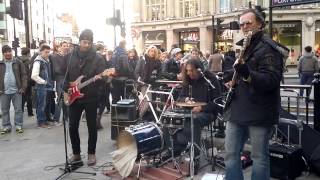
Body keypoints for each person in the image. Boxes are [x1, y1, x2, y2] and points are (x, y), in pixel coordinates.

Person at [224, 9, 284, 180]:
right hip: (237, 111)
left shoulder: (269, 48)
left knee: (259, 158)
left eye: (248, 23)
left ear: (260, 24)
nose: (244, 26)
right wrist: (231, 76)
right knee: (231, 155)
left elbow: (271, 80)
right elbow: (242, 73)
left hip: (260, 112)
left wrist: (247, 74)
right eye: (241, 24)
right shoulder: (247, 45)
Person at [63, 29, 105, 166]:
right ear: (79, 42)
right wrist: (65, 90)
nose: (86, 45)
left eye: (89, 42)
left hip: (91, 97)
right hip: (73, 97)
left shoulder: (98, 58)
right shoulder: (70, 56)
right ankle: (76, 154)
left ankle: (91, 153)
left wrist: (99, 80)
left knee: (92, 126)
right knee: (72, 126)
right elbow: (63, 76)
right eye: (84, 42)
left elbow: (103, 78)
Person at [169, 58, 221, 168]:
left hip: (207, 112)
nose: (189, 73)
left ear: (199, 69)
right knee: (169, 116)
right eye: (187, 71)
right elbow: (181, 97)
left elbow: (218, 102)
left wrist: (202, 108)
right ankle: (175, 149)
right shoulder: (188, 80)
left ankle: (195, 157)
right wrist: (185, 99)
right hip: (189, 110)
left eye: (191, 70)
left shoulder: (210, 79)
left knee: (194, 120)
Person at [0, 45, 27, 134]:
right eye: (6, 52)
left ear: (12, 52)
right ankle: (6, 126)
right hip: (4, 91)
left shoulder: (18, 62)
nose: (8, 53)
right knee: (4, 110)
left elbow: (23, 75)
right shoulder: (0, 64)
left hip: (17, 90)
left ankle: (18, 125)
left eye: (9, 51)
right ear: (3, 53)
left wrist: (23, 87)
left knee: (18, 109)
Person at [31, 44, 54, 128]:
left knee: (46, 104)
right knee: (41, 105)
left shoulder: (45, 60)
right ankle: (41, 122)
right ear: (41, 52)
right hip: (41, 87)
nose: (47, 54)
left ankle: (45, 120)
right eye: (46, 52)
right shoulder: (38, 62)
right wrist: (44, 82)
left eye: (49, 52)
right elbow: (34, 76)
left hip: (46, 87)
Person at [51, 41, 69, 125]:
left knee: (67, 99)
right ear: (60, 47)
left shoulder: (68, 56)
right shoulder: (55, 56)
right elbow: (56, 69)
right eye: (64, 46)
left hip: (67, 79)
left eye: (67, 46)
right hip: (60, 79)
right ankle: (56, 119)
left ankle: (66, 117)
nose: (66, 47)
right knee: (60, 99)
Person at [19, 47, 34, 116]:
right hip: (27, 81)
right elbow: (29, 72)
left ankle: (20, 112)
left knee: (21, 98)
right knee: (29, 97)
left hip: (20, 81)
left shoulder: (17, 60)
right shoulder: (29, 61)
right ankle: (30, 112)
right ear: (28, 53)